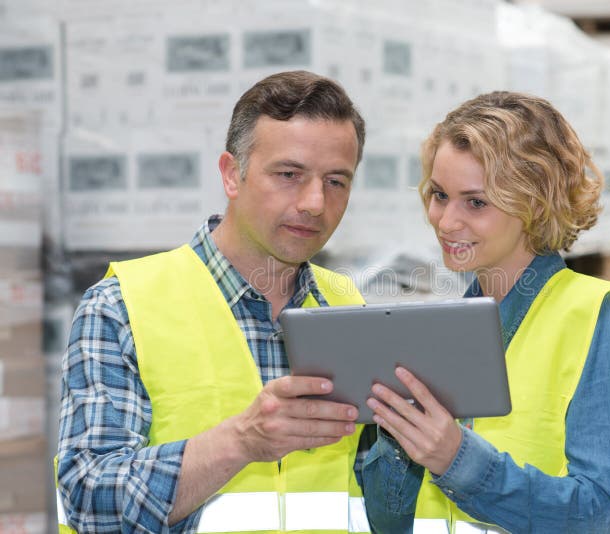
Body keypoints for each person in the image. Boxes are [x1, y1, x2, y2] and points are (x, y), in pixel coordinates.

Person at [56, 71, 374, 533]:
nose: (314, 202)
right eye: (289, 174)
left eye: (336, 181)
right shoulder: (121, 305)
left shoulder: (349, 305)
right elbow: (90, 498)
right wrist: (243, 441)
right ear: (231, 174)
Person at [362, 91, 610, 533]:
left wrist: (457, 460)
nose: (446, 221)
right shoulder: (440, 333)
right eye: (439, 194)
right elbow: (391, 520)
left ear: (534, 202)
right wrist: (391, 444)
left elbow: (597, 515)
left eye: (475, 202)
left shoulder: (598, 318)